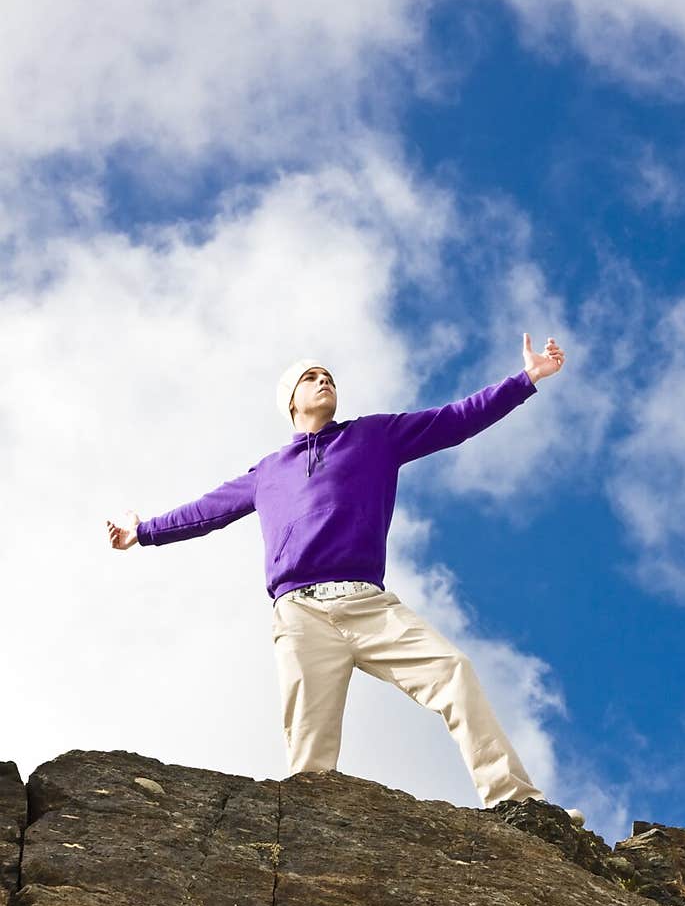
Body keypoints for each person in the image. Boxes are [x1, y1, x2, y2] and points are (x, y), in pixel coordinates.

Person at [106, 333, 584, 825]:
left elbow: (456, 419)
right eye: (310, 378)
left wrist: (526, 378)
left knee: (454, 672)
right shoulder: (267, 472)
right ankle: (301, 845)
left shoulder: (374, 437)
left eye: (328, 377)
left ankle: (517, 804)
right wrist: (141, 533)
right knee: (309, 755)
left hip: (369, 606)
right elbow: (204, 512)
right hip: (301, 613)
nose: (323, 381)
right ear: (291, 401)